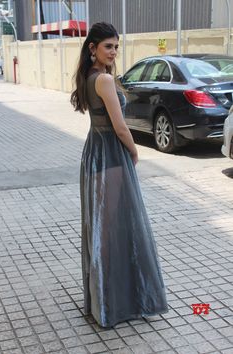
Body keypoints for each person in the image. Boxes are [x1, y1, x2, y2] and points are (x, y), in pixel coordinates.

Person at [71, 22, 168, 328]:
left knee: (103, 229)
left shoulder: (88, 76)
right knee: (114, 230)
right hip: (111, 157)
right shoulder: (104, 80)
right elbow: (120, 126)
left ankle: (105, 300)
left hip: (94, 155)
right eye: (107, 46)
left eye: (116, 46)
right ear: (93, 48)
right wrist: (135, 152)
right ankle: (114, 304)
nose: (113, 51)